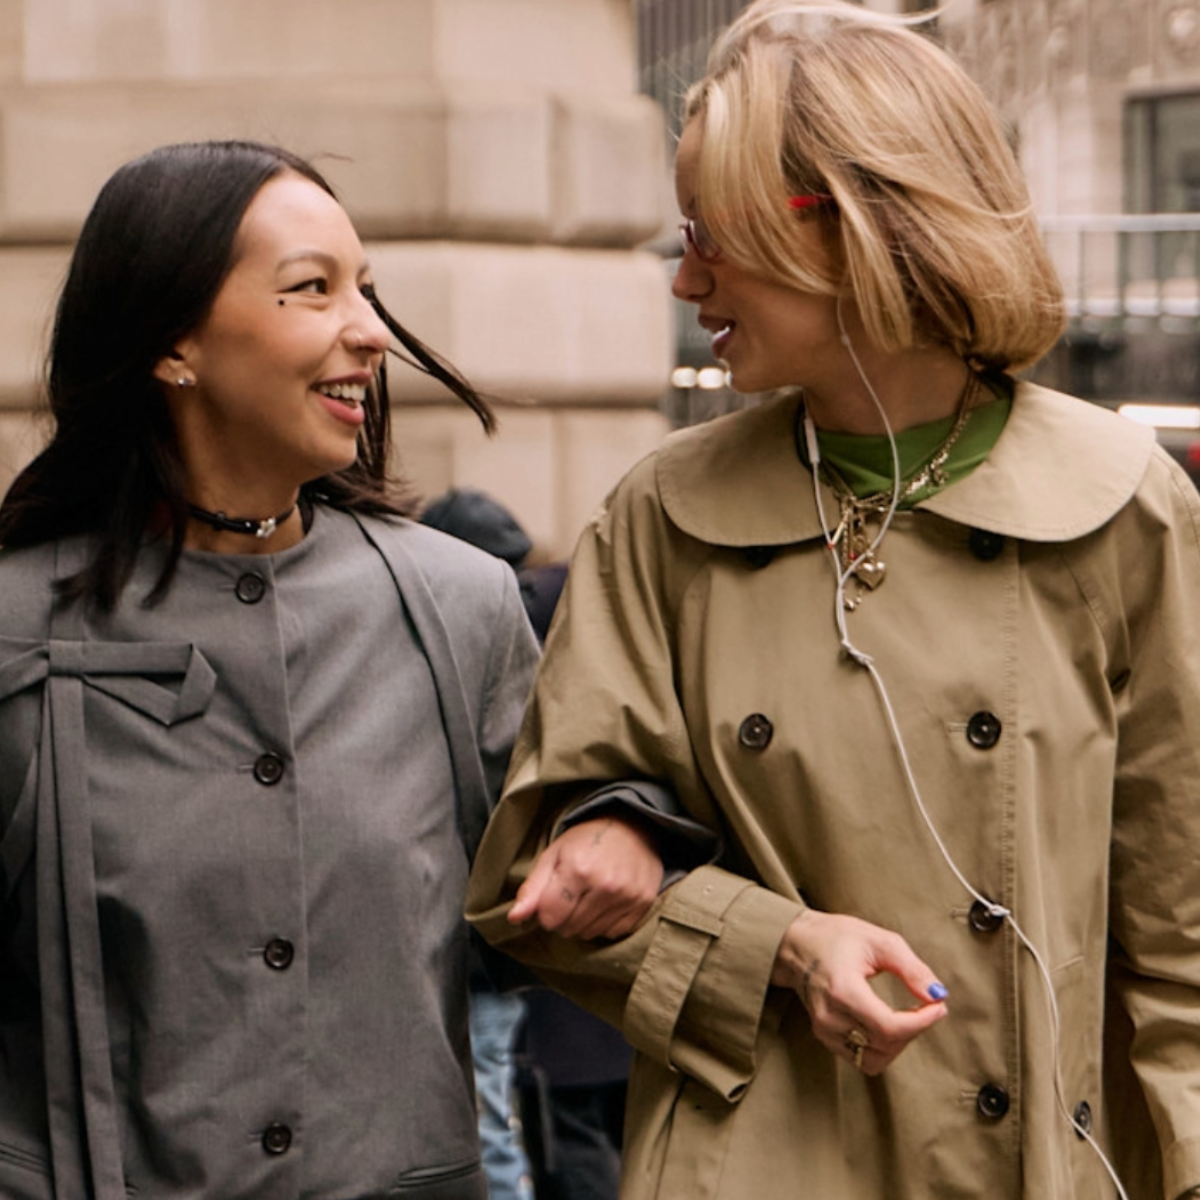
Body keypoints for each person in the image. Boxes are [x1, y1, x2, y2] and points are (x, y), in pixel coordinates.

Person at [465, 3, 1200, 1199]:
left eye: (709, 234)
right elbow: (534, 893)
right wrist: (780, 946)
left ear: (848, 226)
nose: (683, 277)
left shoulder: (1121, 507)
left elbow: (1182, 938)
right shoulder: (663, 514)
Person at [0, 140, 540, 1200]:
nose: (370, 333)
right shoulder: (14, 625)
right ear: (173, 345)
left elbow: (580, 921)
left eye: (368, 291)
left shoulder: (463, 607)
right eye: (313, 290)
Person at [421, 488, 631, 1200]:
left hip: (516, 935)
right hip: (555, 943)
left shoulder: (492, 625)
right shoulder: (569, 610)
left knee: (516, 1121)